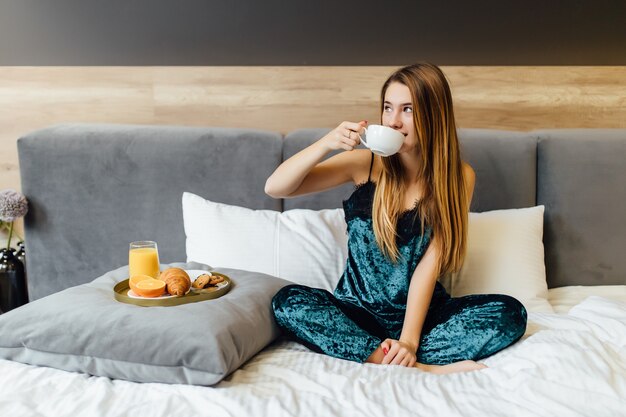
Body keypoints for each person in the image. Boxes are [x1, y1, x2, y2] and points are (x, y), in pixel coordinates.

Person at [265, 63, 527, 374]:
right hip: (356, 313)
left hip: (424, 316)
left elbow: (432, 262)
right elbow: (276, 187)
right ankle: (401, 362)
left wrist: (410, 341)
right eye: (388, 108)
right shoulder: (366, 164)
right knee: (288, 302)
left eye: (407, 110)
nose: (394, 121)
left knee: (510, 313)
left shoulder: (459, 176)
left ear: (433, 115)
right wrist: (327, 143)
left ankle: (396, 354)